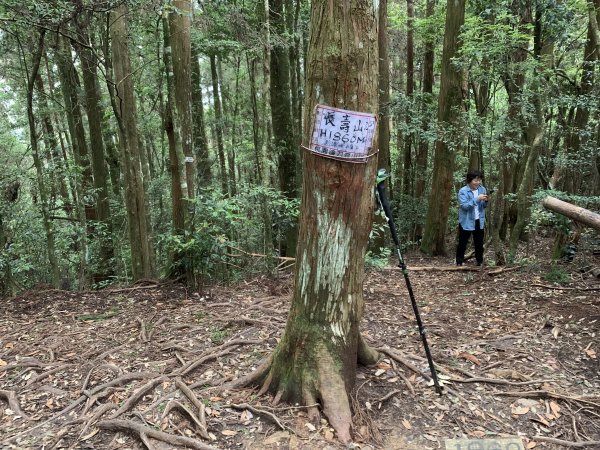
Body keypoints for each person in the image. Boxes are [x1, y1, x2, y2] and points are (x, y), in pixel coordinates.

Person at [456, 170, 489, 266]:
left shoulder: (482, 189)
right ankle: (459, 262)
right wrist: (477, 199)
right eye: (475, 180)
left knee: (479, 243)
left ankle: (479, 262)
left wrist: (486, 201)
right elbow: (465, 206)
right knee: (463, 242)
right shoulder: (463, 191)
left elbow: (483, 206)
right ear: (470, 180)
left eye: (479, 180)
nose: (478, 183)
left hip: (479, 220)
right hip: (466, 220)